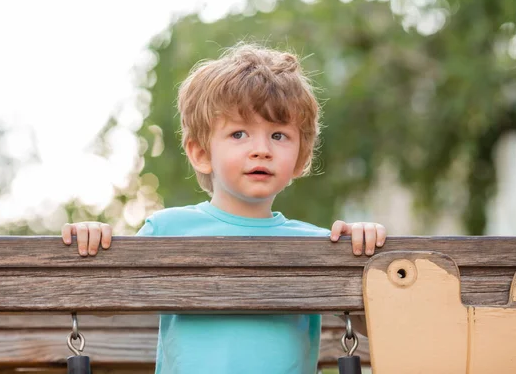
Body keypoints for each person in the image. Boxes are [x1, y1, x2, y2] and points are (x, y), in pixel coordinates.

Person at [62, 43, 387, 374]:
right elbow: (103, 302)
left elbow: (373, 325)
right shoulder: (168, 230)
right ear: (201, 153)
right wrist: (94, 248)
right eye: (239, 133)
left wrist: (363, 253)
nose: (261, 150)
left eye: (278, 135)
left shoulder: (322, 243)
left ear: (301, 156)